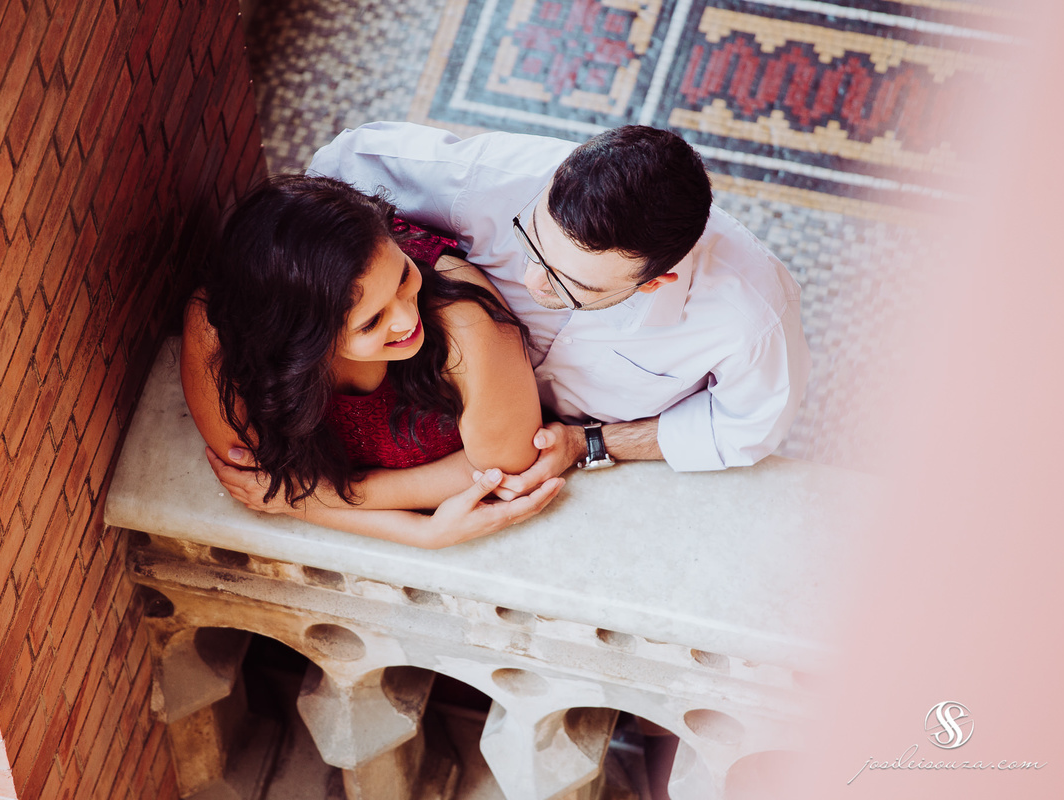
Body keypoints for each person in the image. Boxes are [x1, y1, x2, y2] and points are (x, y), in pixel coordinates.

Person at [214, 121, 810, 510]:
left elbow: (746, 427)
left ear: (658, 281)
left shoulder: (749, 318)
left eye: (567, 283)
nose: (530, 281)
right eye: (533, 243)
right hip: (430, 379)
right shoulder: (489, 179)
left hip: (548, 445)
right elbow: (341, 169)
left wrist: (592, 443)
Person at [181, 175, 564, 549]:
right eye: (371, 322)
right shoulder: (218, 329)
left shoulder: (464, 320)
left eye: (401, 276)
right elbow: (253, 475)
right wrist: (417, 532)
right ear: (300, 342)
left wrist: (309, 498)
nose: (406, 319)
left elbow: (506, 465)